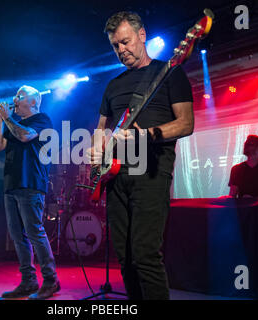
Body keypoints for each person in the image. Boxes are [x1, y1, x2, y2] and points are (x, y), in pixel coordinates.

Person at [87, 11, 194, 300]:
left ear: (142, 35)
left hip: (152, 173)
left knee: (145, 254)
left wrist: (144, 135)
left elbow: (186, 124)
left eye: (125, 41)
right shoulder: (112, 85)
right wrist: (97, 149)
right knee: (124, 255)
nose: (121, 50)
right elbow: (100, 128)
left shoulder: (170, 72)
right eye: (115, 46)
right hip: (115, 176)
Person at [0, 85, 59, 300]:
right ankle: (28, 281)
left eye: (20, 96)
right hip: (11, 184)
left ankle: (51, 280)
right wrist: (1, 119)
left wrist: (9, 119)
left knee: (34, 231)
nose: (14, 99)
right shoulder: (14, 123)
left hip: (30, 183)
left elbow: (25, 137)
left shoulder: (42, 119)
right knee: (17, 235)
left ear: (33, 101)